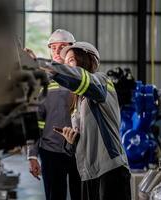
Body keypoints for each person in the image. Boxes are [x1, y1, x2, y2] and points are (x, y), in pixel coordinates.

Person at [40, 41, 131, 200]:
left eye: (70, 61)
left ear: (85, 60)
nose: (67, 66)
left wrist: (46, 66)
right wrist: (71, 140)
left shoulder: (102, 82)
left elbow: (82, 80)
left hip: (110, 171)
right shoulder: (77, 101)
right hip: (88, 174)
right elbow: (82, 143)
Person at [26, 29, 81, 200]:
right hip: (51, 152)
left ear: (72, 49)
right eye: (53, 47)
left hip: (80, 151)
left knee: (81, 195)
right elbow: (35, 120)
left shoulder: (84, 78)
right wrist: (32, 155)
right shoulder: (43, 80)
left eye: (62, 47)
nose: (57, 51)